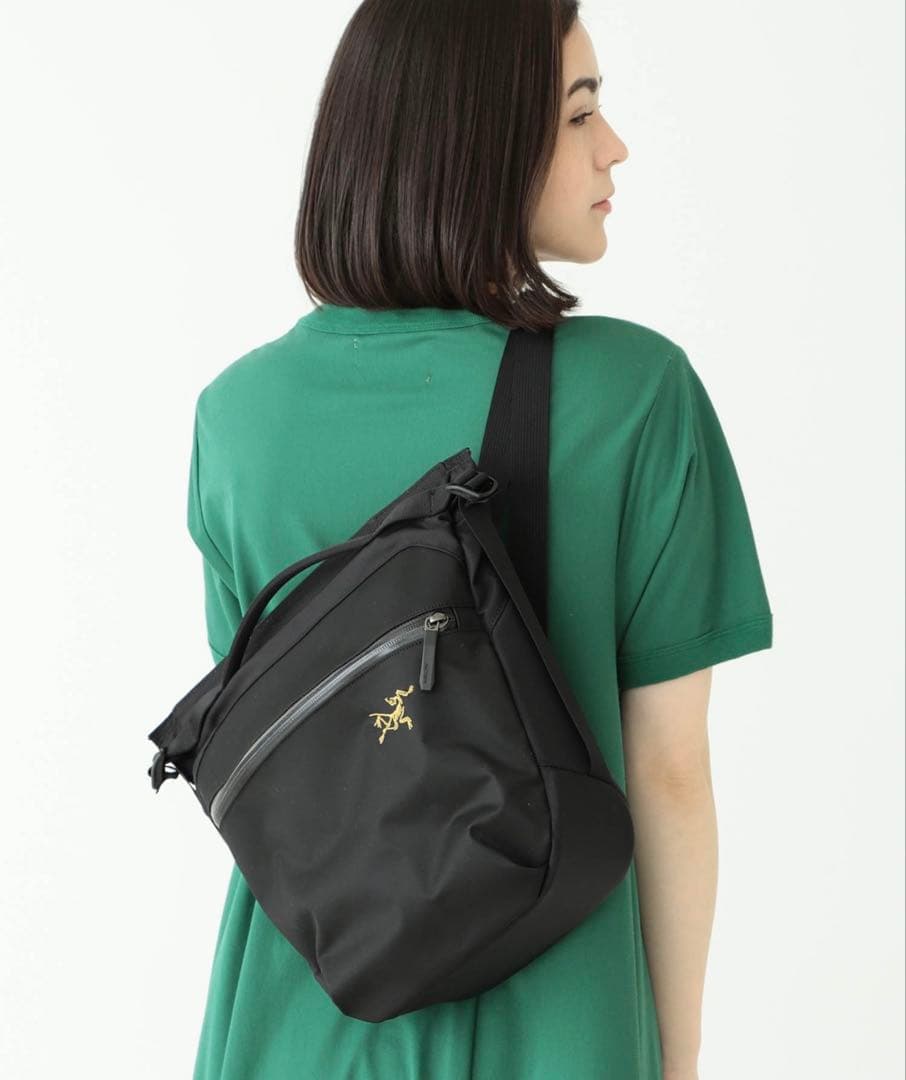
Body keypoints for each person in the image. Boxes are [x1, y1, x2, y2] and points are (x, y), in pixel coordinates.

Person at [186, 2, 773, 1078]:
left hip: (300, 1016)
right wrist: (676, 1057)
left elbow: (289, 754)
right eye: (580, 114)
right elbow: (670, 771)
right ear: (479, 138)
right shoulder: (636, 395)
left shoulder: (237, 418)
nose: (615, 147)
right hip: (559, 1021)